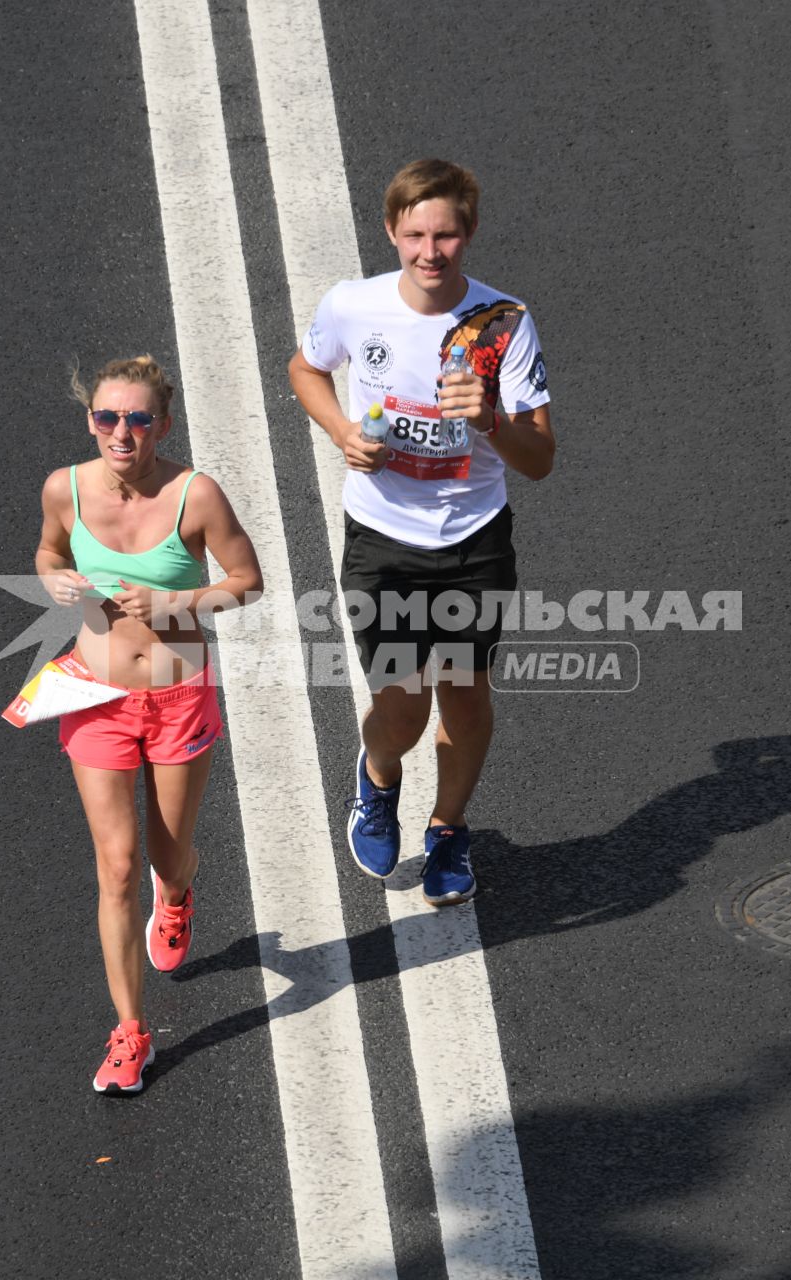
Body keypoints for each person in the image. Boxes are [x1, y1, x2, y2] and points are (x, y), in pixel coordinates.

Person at [287, 159, 554, 907]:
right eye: (414, 235)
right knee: (403, 702)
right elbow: (305, 369)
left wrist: (488, 421)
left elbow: (541, 460)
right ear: (391, 232)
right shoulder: (353, 307)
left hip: (474, 543)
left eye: (445, 235)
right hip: (384, 539)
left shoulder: (504, 324)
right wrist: (342, 429)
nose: (429, 252)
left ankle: (448, 827)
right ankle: (376, 782)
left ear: (468, 233)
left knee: (465, 696)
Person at [35, 355, 262, 1093]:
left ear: (162, 424)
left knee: (167, 855)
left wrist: (176, 607)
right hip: (96, 697)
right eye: (107, 418)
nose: (121, 432)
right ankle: (130, 1033)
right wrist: (53, 579)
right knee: (118, 865)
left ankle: (178, 895)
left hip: (177, 698)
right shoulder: (63, 490)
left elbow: (246, 581)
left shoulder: (195, 496)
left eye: (138, 419)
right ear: (91, 422)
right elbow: (47, 550)